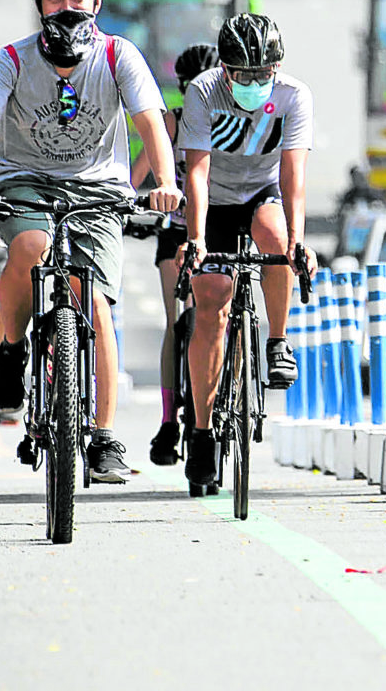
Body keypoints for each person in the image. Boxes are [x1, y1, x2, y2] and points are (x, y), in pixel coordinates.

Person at [0, 0, 183, 483]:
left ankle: (105, 436)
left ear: (96, 1)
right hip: (24, 183)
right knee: (30, 246)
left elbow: (150, 124)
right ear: (39, 4)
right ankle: (11, 348)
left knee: (94, 303)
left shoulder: (119, 56)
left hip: (98, 191)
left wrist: (165, 183)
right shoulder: (12, 59)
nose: (65, 6)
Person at [169, 12, 317, 489]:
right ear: (226, 69)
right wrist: (195, 237)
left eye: (263, 74)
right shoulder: (204, 91)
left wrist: (298, 240)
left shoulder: (294, 96)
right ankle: (202, 433)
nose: (253, 83)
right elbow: (197, 170)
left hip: (260, 194)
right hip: (212, 199)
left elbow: (293, 173)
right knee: (210, 304)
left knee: (276, 240)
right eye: (243, 74)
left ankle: (277, 340)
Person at [130, 42, 219, 466]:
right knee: (175, 319)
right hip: (177, 230)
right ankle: (169, 419)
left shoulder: (233, 122)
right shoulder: (171, 122)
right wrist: (131, 207)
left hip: (220, 227)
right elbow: (135, 178)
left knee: (219, 314)